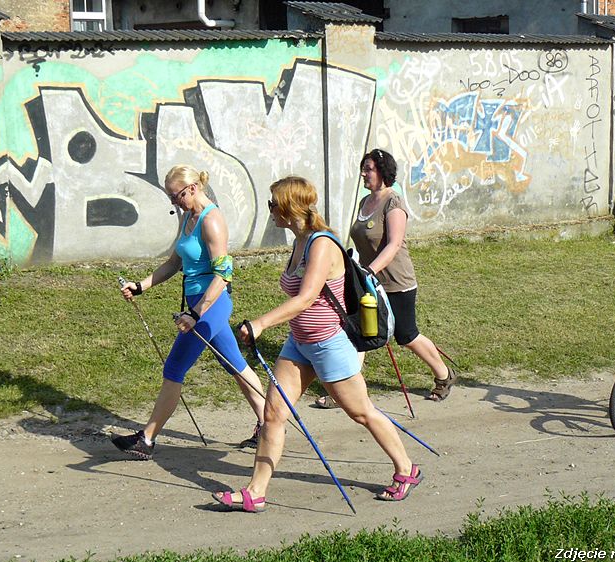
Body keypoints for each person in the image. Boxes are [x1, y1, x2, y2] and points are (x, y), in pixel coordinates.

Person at [212, 176, 421, 512]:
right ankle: (255, 492)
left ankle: (406, 469)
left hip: (329, 344)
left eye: (272, 204)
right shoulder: (299, 241)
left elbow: (307, 297)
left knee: (361, 412)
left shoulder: (321, 244)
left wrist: (262, 322)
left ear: (288, 207)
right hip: (299, 343)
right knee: (273, 414)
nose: (269, 210)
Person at [113, 165, 265, 459]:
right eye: (171, 197)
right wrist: (140, 285)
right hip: (201, 308)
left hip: (211, 305)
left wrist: (196, 313)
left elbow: (223, 275)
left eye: (177, 196)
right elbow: (173, 263)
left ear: (193, 188)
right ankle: (270, 422)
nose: (174, 202)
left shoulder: (212, 221)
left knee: (174, 368)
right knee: (235, 364)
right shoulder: (188, 218)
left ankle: (147, 439)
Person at [315, 148, 456, 408]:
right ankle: (347, 391)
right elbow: (360, 242)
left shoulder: (393, 202)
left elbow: (393, 245)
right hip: (367, 282)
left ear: (382, 172)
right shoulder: (364, 202)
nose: (363, 174)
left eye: (368, 169)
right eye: (363, 168)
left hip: (395, 282)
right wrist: (354, 269)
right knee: (357, 332)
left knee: (406, 335)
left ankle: (444, 375)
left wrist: (370, 272)